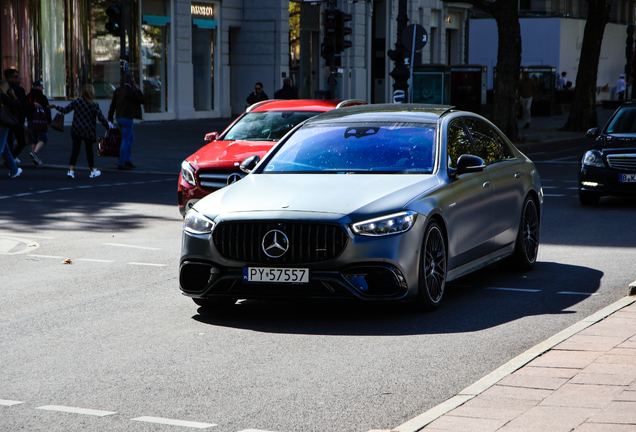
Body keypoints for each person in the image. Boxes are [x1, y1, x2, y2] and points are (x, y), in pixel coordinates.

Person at [54, 84, 109, 179]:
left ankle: (71, 170)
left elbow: (65, 110)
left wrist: (56, 106)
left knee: (75, 150)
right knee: (89, 151)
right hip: (88, 131)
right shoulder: (94, 104)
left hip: (77, 129)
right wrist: (108, 126)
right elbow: (100, 117)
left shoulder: (77, 101)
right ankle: (92, 171)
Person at [108, 73, 145, 170]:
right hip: (127, 118)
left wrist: (110, 117)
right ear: (132, 82)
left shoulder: (118, 91)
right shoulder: (131, 92)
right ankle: (122, 163)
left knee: (131, 137)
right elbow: (142, 100)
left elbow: (113, 105)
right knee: (125, 140)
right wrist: (138, 90)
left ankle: (127, 160)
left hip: (119, 117)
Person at [3, 68, 40, 162]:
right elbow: (21, 104)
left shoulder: (4, 88)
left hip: (4, 118)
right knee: (21, 141)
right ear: (10, 78)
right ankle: (10, 160)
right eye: (16, 76)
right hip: (16, 119)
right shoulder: (17, 89)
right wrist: (32, 105)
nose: (19, 78)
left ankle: (10, 160)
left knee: (8, 142)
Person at [25, 80, 56, 165]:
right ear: (37, 87)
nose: (42, 88)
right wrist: (49, 121)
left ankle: (34, 157)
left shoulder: (28, 96)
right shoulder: (42, 97)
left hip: (30, 120)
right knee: (43, 138)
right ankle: (34, 153)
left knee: (33, 140)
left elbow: (25, 107)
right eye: (41, 86)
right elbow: (47, 110)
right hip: (40, 121)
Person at [0, 80, 22, 178]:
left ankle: (14, 170)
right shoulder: (3, 96)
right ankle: (13, 170)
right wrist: (14, 96)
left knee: (5, 148)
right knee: (1, 148)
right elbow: (17, 105)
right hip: (3, 123)